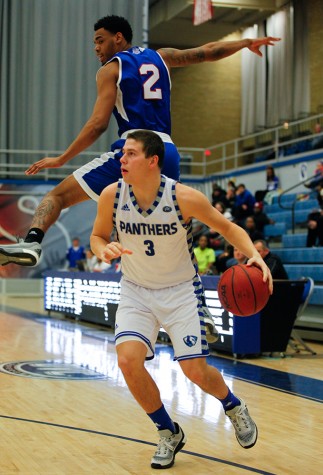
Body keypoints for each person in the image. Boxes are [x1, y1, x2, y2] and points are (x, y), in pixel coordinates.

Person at [0, 14, 280, 267]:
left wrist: (61, 159)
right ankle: (196, 299)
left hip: (134, 148)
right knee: (175, 227)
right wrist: (246, 42)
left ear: (118, 38)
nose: (96, 47)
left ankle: (33, 242)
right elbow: (208, 52)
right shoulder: (162, 56)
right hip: (167, 151)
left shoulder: (111, 69)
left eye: (100, 40)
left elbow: (98, 125)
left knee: (57, 196)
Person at [90, 130, 272, 469]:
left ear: (152, 160)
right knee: (128, 361)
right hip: (135, 290)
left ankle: (232, 405)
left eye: (130, 154)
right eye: (122, 154)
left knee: (195, 371)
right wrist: (104, 249)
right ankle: (167, 431)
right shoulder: (111, 195)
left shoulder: (184, 198)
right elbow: (97, 236)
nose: (121, 160)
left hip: (180, 292)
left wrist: (255, 256)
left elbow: (229, 229)